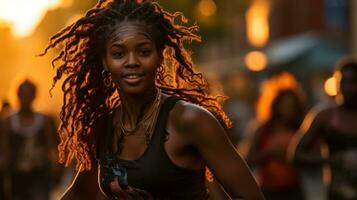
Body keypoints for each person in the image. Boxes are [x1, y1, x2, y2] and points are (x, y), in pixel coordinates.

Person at [41, 0, 264, 199]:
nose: (132, 62)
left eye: (144, 51)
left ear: (159, 56)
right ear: (105, 61)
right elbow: (80, 193)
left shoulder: (190, 120)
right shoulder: (104, 126)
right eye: (118, 53)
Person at [290, 57, 357, 200]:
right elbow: (296, 155)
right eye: (343, 82)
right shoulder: (325, 117)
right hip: (338, 193)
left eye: (353, 82)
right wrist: (332, 160)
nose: (348, 88)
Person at [246, 73, 305, 200]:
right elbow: (247, 160)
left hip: (294, 190)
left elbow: (311, 159)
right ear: (274, 104)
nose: (287, 109)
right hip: (268, 192)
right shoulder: (263, 130)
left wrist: (292, 155)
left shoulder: (300, 129)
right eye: (284, 105)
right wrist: (269, 154)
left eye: (291, 105)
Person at [1, 80, 58, 200]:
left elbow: (53, 147)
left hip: (40, 173)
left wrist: (55, 168)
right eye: (23, 93)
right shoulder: (8, 122)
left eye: (29, 93)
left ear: (34, 95)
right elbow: (4, 149)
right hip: (16, 175)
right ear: (17, 94)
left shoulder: (45, 121)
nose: (25, 97)